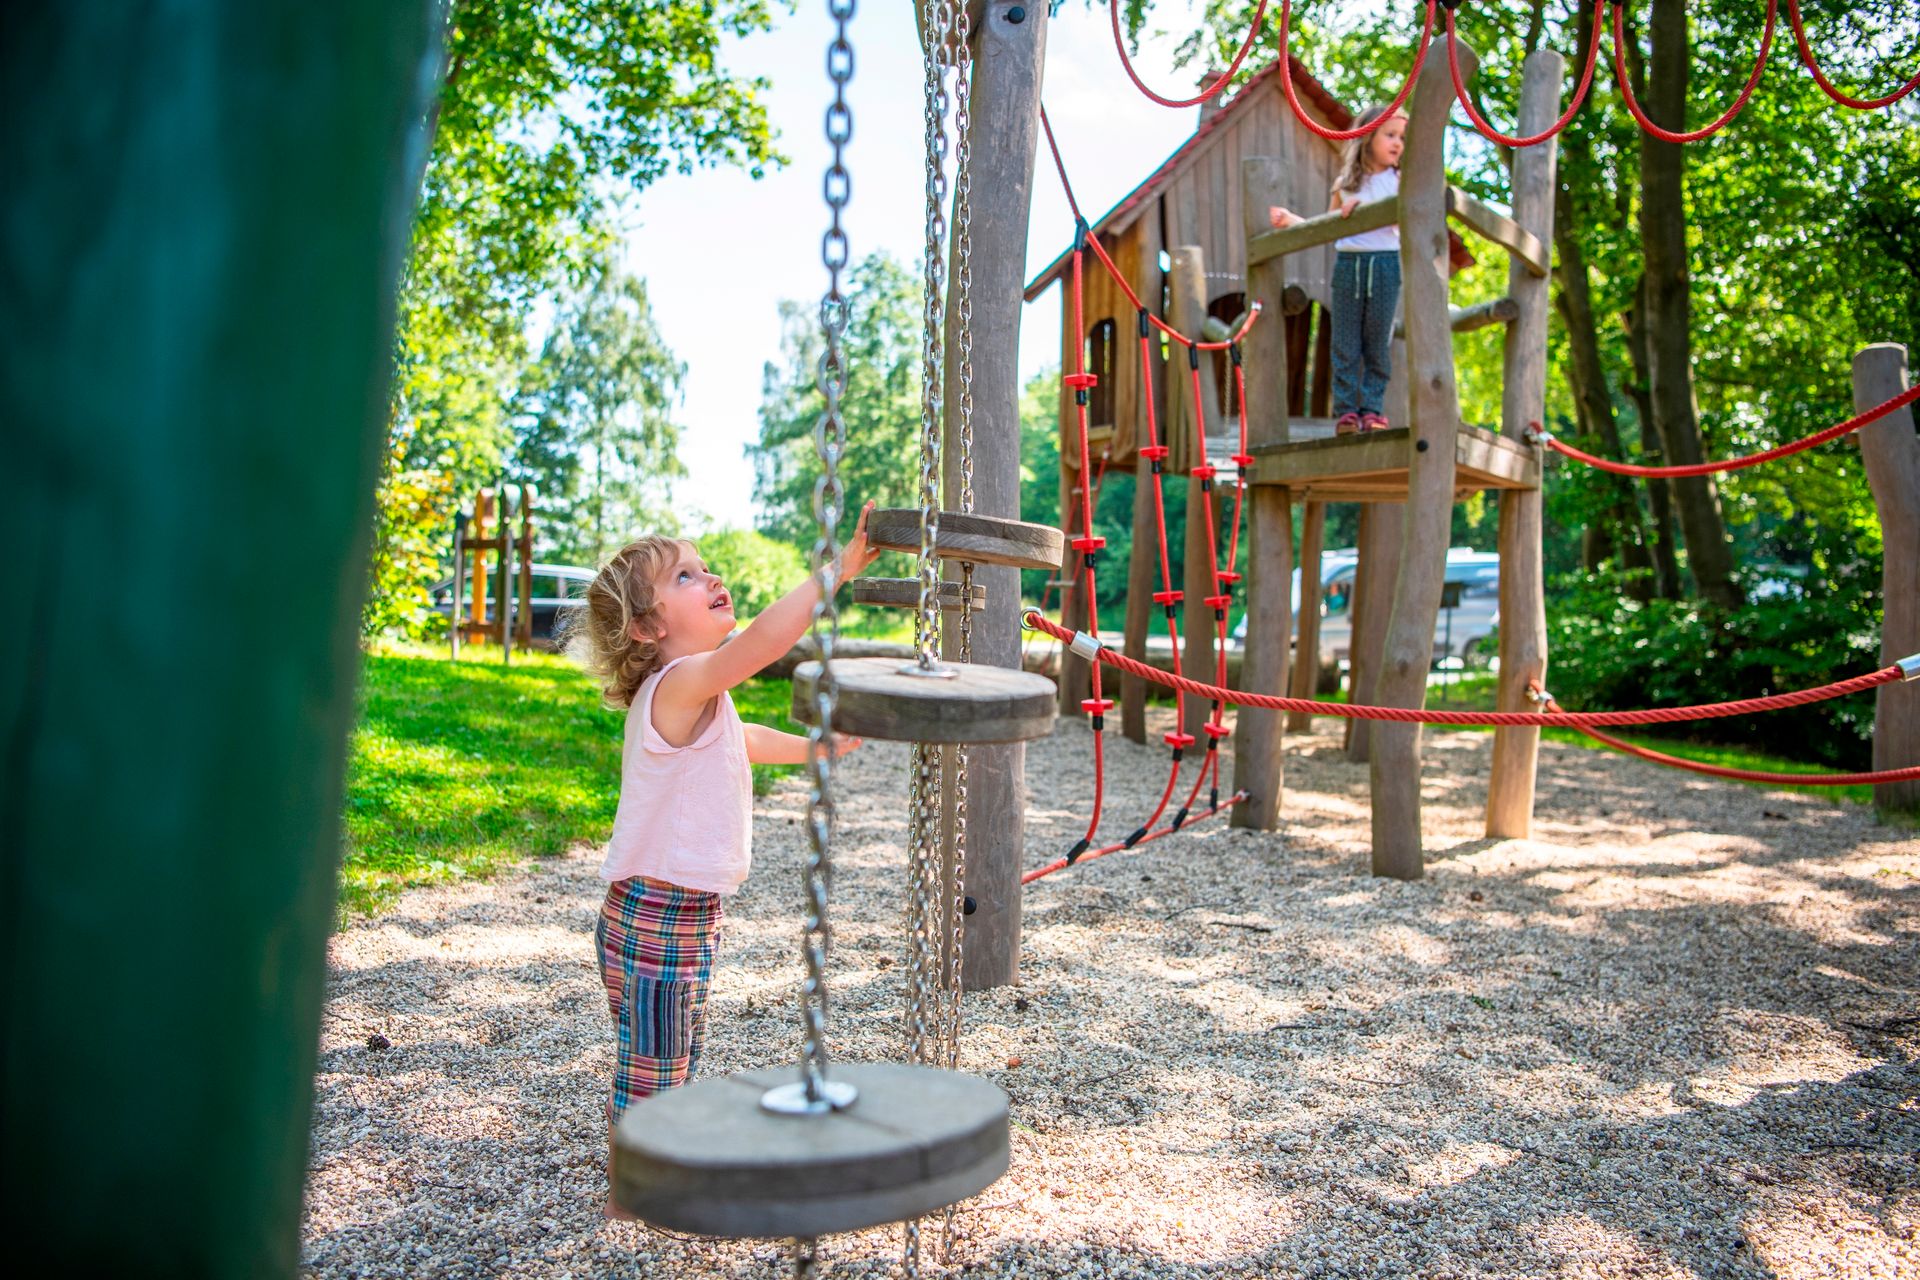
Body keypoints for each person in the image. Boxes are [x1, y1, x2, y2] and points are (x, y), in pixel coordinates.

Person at [569, 501, 880, 1216]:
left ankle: (659, 1158)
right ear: (649, 627)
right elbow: (764, 642)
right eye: (685, 576)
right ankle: (639, 1188)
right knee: (656, 1063)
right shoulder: (678, 686)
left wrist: (813, 748)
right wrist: (838, 571)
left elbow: (744, 738)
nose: (709, 578)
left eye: (705, 567)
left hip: (670, 914)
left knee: (669, 1049)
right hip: (658, 919)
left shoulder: (698, 699)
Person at [1267, 104, 1409, 434]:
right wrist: (1292, 221)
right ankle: (1346, 412)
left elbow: (1410, 220)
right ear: (1368, 137)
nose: (1397, 143)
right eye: (1390, 135)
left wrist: (1378, 214)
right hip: (1349, 265)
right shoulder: (1346, 183)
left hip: (1385, 264)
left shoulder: (1401, 181)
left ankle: (1372, 410)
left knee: (1377, 341)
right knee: (1345, 341)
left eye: (1401, 137)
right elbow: (1326, 227)